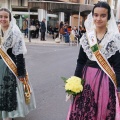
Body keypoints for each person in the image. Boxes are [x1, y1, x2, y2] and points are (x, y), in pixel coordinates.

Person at [67, 2, 120, 120]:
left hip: (106, 81)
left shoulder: (114, 39)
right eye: (96, 15)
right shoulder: (87, 37)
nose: (98, 18)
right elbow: (80, 61)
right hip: (87, 79)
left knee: (103, 111)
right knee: (84, 110)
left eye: (102, 15)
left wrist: (119, 88)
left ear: (108, 18)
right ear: (92, 16)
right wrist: (76, 80)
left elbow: (118, 66)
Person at [0, 8, 36, 120]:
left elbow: (19, 54)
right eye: (1, 16)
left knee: (9, 92)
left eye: (6, 17)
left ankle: (9, 116)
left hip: (9, 67)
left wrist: (21, 73)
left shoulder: (15, 32)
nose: (3, 19)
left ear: (10, 19)